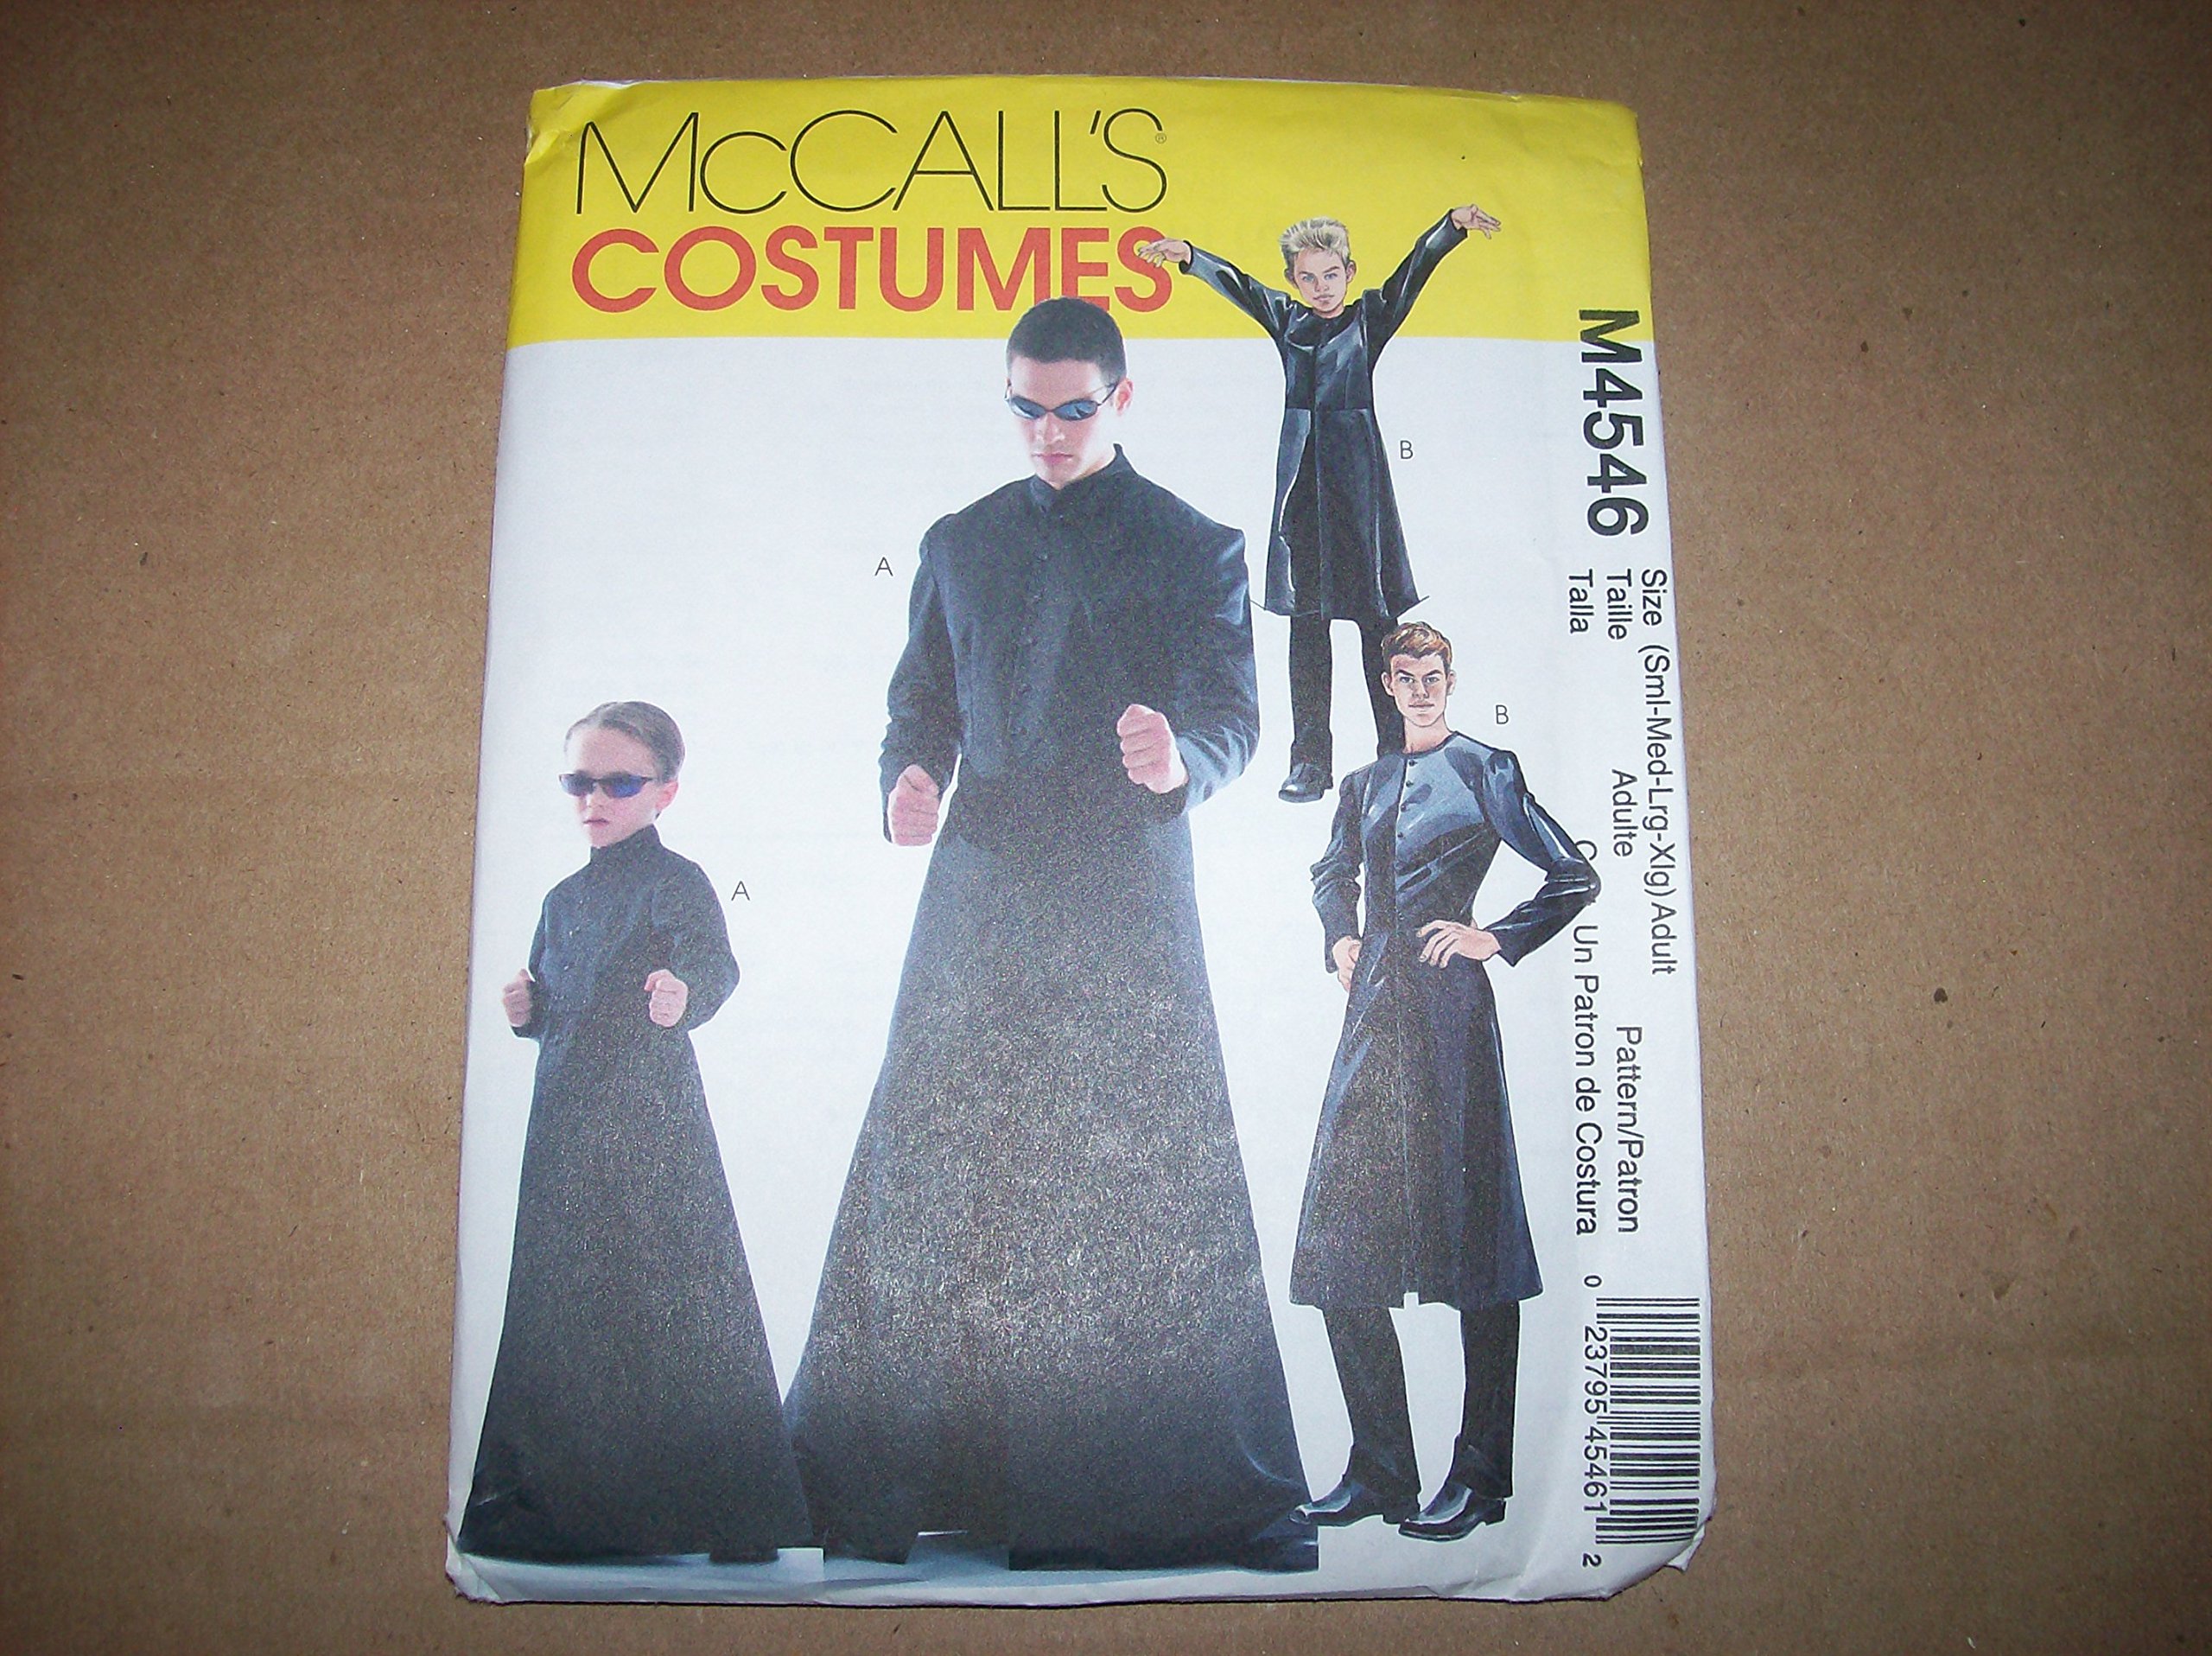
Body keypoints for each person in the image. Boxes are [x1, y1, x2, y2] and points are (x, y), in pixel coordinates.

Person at [783, 298, 1314, 1573]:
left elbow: (1235, 716)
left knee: (1133, 1157)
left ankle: (1144, 1494)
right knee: (935, 1148)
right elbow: (920, 701)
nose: (1047, 432)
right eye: (1025, 408)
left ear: (1121, 398)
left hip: (1124, 886)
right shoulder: (958, 541)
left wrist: (1181, 758)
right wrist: (910, 776)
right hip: (980, 884)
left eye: (1073, 408)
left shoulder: (1195, 544)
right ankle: (917, 1478)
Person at [459, 702, 810, 1563]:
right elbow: (557, 1002)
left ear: (665, 792)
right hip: (564, 1124)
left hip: (652, 1125)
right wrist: (528, 1010)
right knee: (567, 1302)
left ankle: (718, 1513)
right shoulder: (561, 899)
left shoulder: (676, 882)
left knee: (671, 1293)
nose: (594, 799)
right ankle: (574, 1508)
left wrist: (684, 995)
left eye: (618, 782)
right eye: (579, 782)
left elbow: (716, 964)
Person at [1292, 623, 1598, 1542]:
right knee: (1336, 1246)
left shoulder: (1485, 769)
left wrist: (1492, 936)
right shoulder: (1363, 781)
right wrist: (1338, 936)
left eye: (1434, 676)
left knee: (1477, 1246)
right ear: (1387, 685)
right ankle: (1381, 1468)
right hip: (1371, 1019)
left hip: (1451, 1023)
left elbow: (1574, 874)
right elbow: (1329, 872)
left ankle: (1480, 1475)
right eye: (1406, 677)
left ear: (1450, 682)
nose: (1421, 689)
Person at [1138, 205, 1501, 802]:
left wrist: (1452, 227)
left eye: (1331, 275)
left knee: (1377, 625)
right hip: (1301, 498)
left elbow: (1413, 271)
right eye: (1308, 278)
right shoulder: (1288, 322)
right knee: (1306, 630)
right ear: (1294, 282)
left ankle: (1397, 757)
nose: (1321, 287)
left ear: (1349, 273)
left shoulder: (1369, 320)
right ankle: (1309, 763)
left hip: (1359, 493)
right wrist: (1192, 259)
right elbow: (1241, 287)